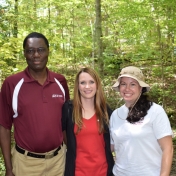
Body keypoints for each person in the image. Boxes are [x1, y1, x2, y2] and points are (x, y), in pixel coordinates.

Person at [0, 32, 70, 176]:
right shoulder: (12, 84)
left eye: (41, 50)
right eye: (30, 51)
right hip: (25, 164)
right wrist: (8, 168)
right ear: (24, 54)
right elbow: (4, 127)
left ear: (48, 51)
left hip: (58, 162)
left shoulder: (60, 81)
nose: (36, 55)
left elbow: (65, 124)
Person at [110, 66, 173, 176]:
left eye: (133, 84)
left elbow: (168, 149)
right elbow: (112, 146)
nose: (127, 88)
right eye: (123, 84)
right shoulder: (115, 115)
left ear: (141, 88)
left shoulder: (155, 111)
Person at [62, 67, 114, 176]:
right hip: (77, 171)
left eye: (91, 82)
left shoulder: (106, 111)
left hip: (103, 171)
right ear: (78, 86)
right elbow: (63, 136)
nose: (87, 86)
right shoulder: (68, 109)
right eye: (83, 82)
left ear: (97, 85)